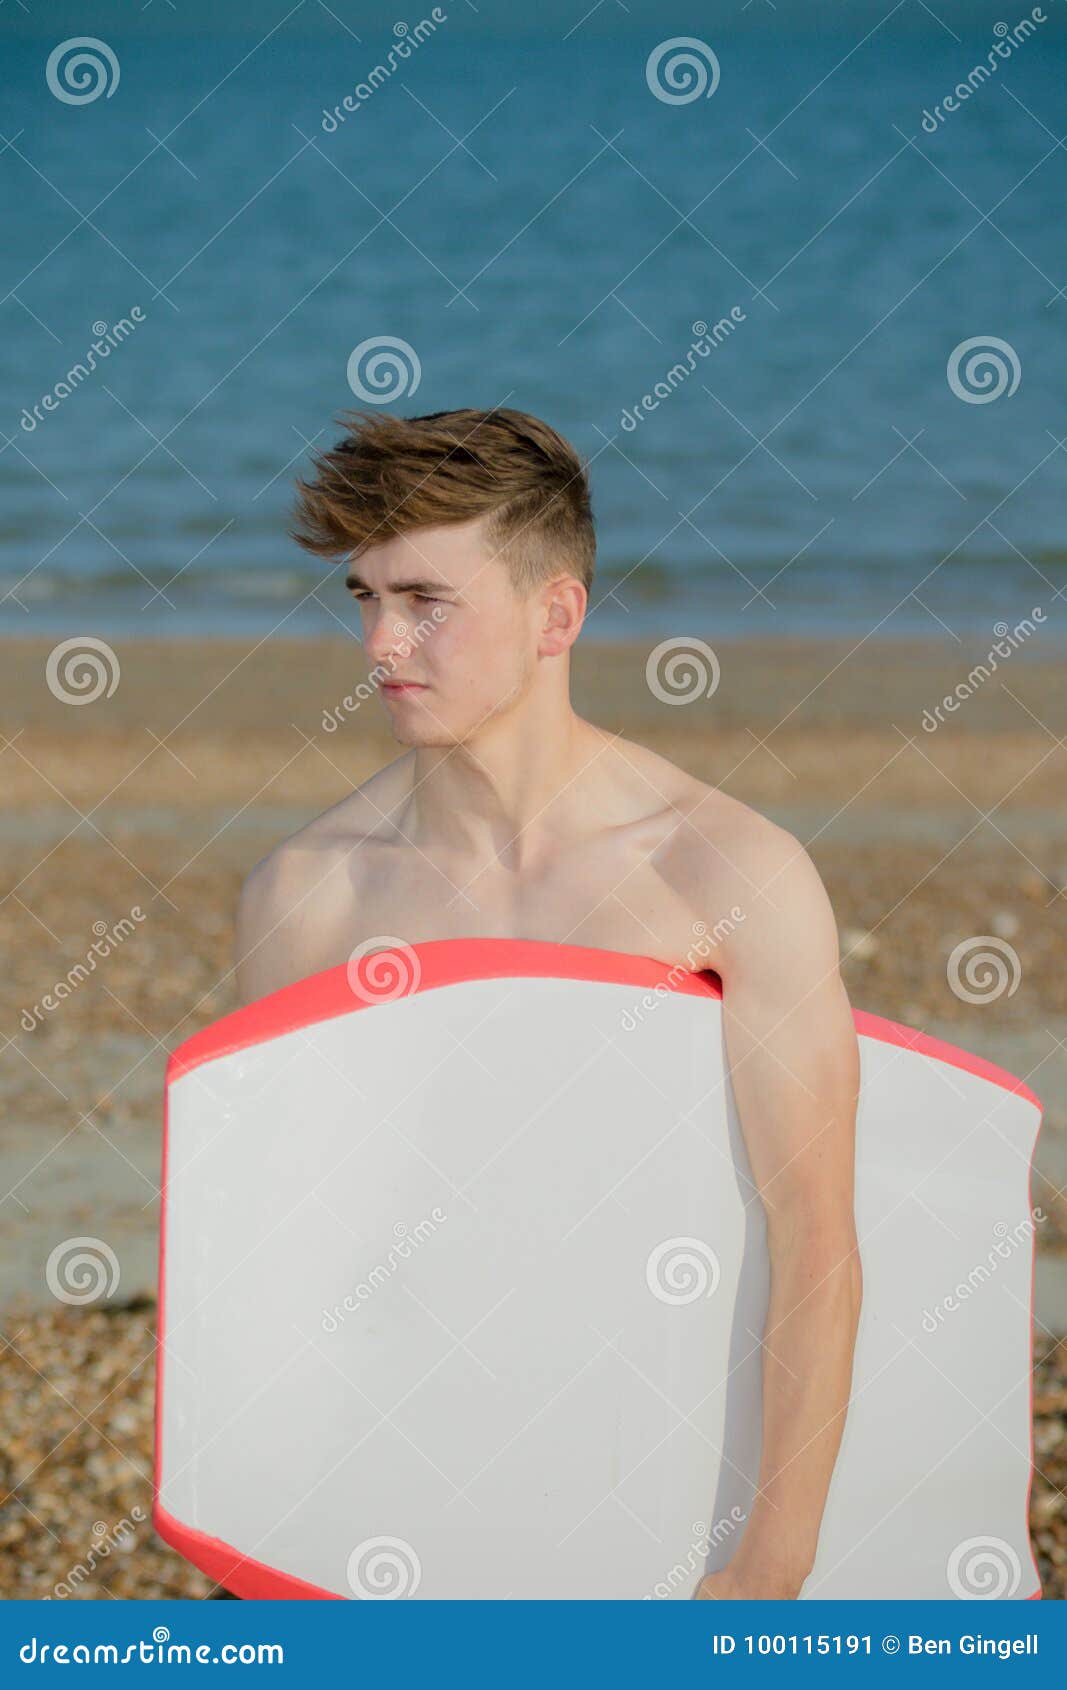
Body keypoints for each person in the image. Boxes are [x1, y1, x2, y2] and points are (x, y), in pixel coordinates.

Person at [233, 406, 863, 1600]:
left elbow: (816, 1239)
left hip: (656, 1477)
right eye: (362, 597)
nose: (380, 642)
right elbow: (287, 1253)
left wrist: (769, 1560)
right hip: (390, 1495)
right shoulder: (307, 898)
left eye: (425, 599)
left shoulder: (722, 875)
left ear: (554, 616)